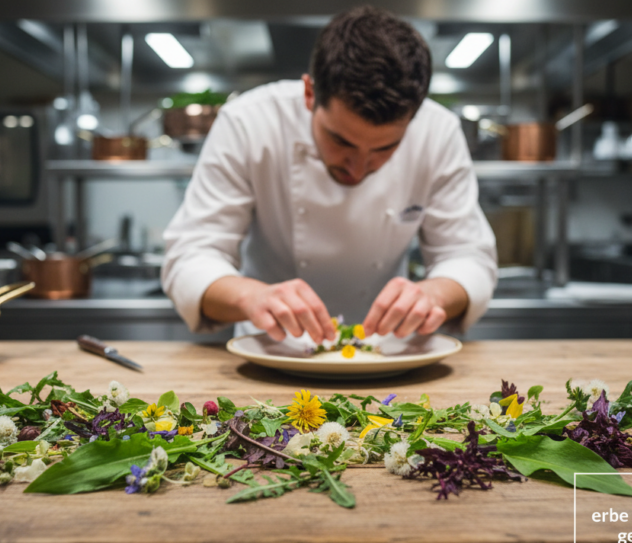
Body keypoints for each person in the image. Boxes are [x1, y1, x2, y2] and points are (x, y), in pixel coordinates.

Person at [162, 6, 497, 345]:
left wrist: (435, 294)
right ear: (310, 93)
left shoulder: (437, 133)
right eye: (341, 141)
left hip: (390, 352)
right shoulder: (248, 123)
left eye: (385, 148)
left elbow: (467, 256)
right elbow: (192, 256)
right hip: (272, 350)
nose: (359, 167)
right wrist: (250, 297)